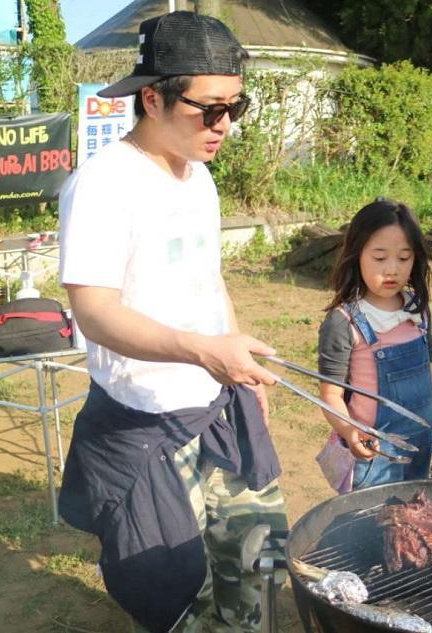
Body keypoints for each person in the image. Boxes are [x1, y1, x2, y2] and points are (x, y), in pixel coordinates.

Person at [56, 12, 287, 633]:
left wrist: (236, 373)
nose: (226, 126)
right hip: (147, 421)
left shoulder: (200, 178)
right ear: (151, 98)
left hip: (218, 402)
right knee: (174, 587)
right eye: (209, 109)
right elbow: (95, 313)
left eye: (236, 107)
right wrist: (202, 352)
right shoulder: (103, 185)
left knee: (260, 560)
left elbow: (209, 282)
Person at [315, 199, 432, 493]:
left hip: (420, 449)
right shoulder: (344, 321)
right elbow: (330, 394)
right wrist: (351, 432)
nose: (392, 270)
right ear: (356, 255)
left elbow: (429, 378)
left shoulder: (419, 312)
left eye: (404, 258)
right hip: (373, 456)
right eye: (379, 258)